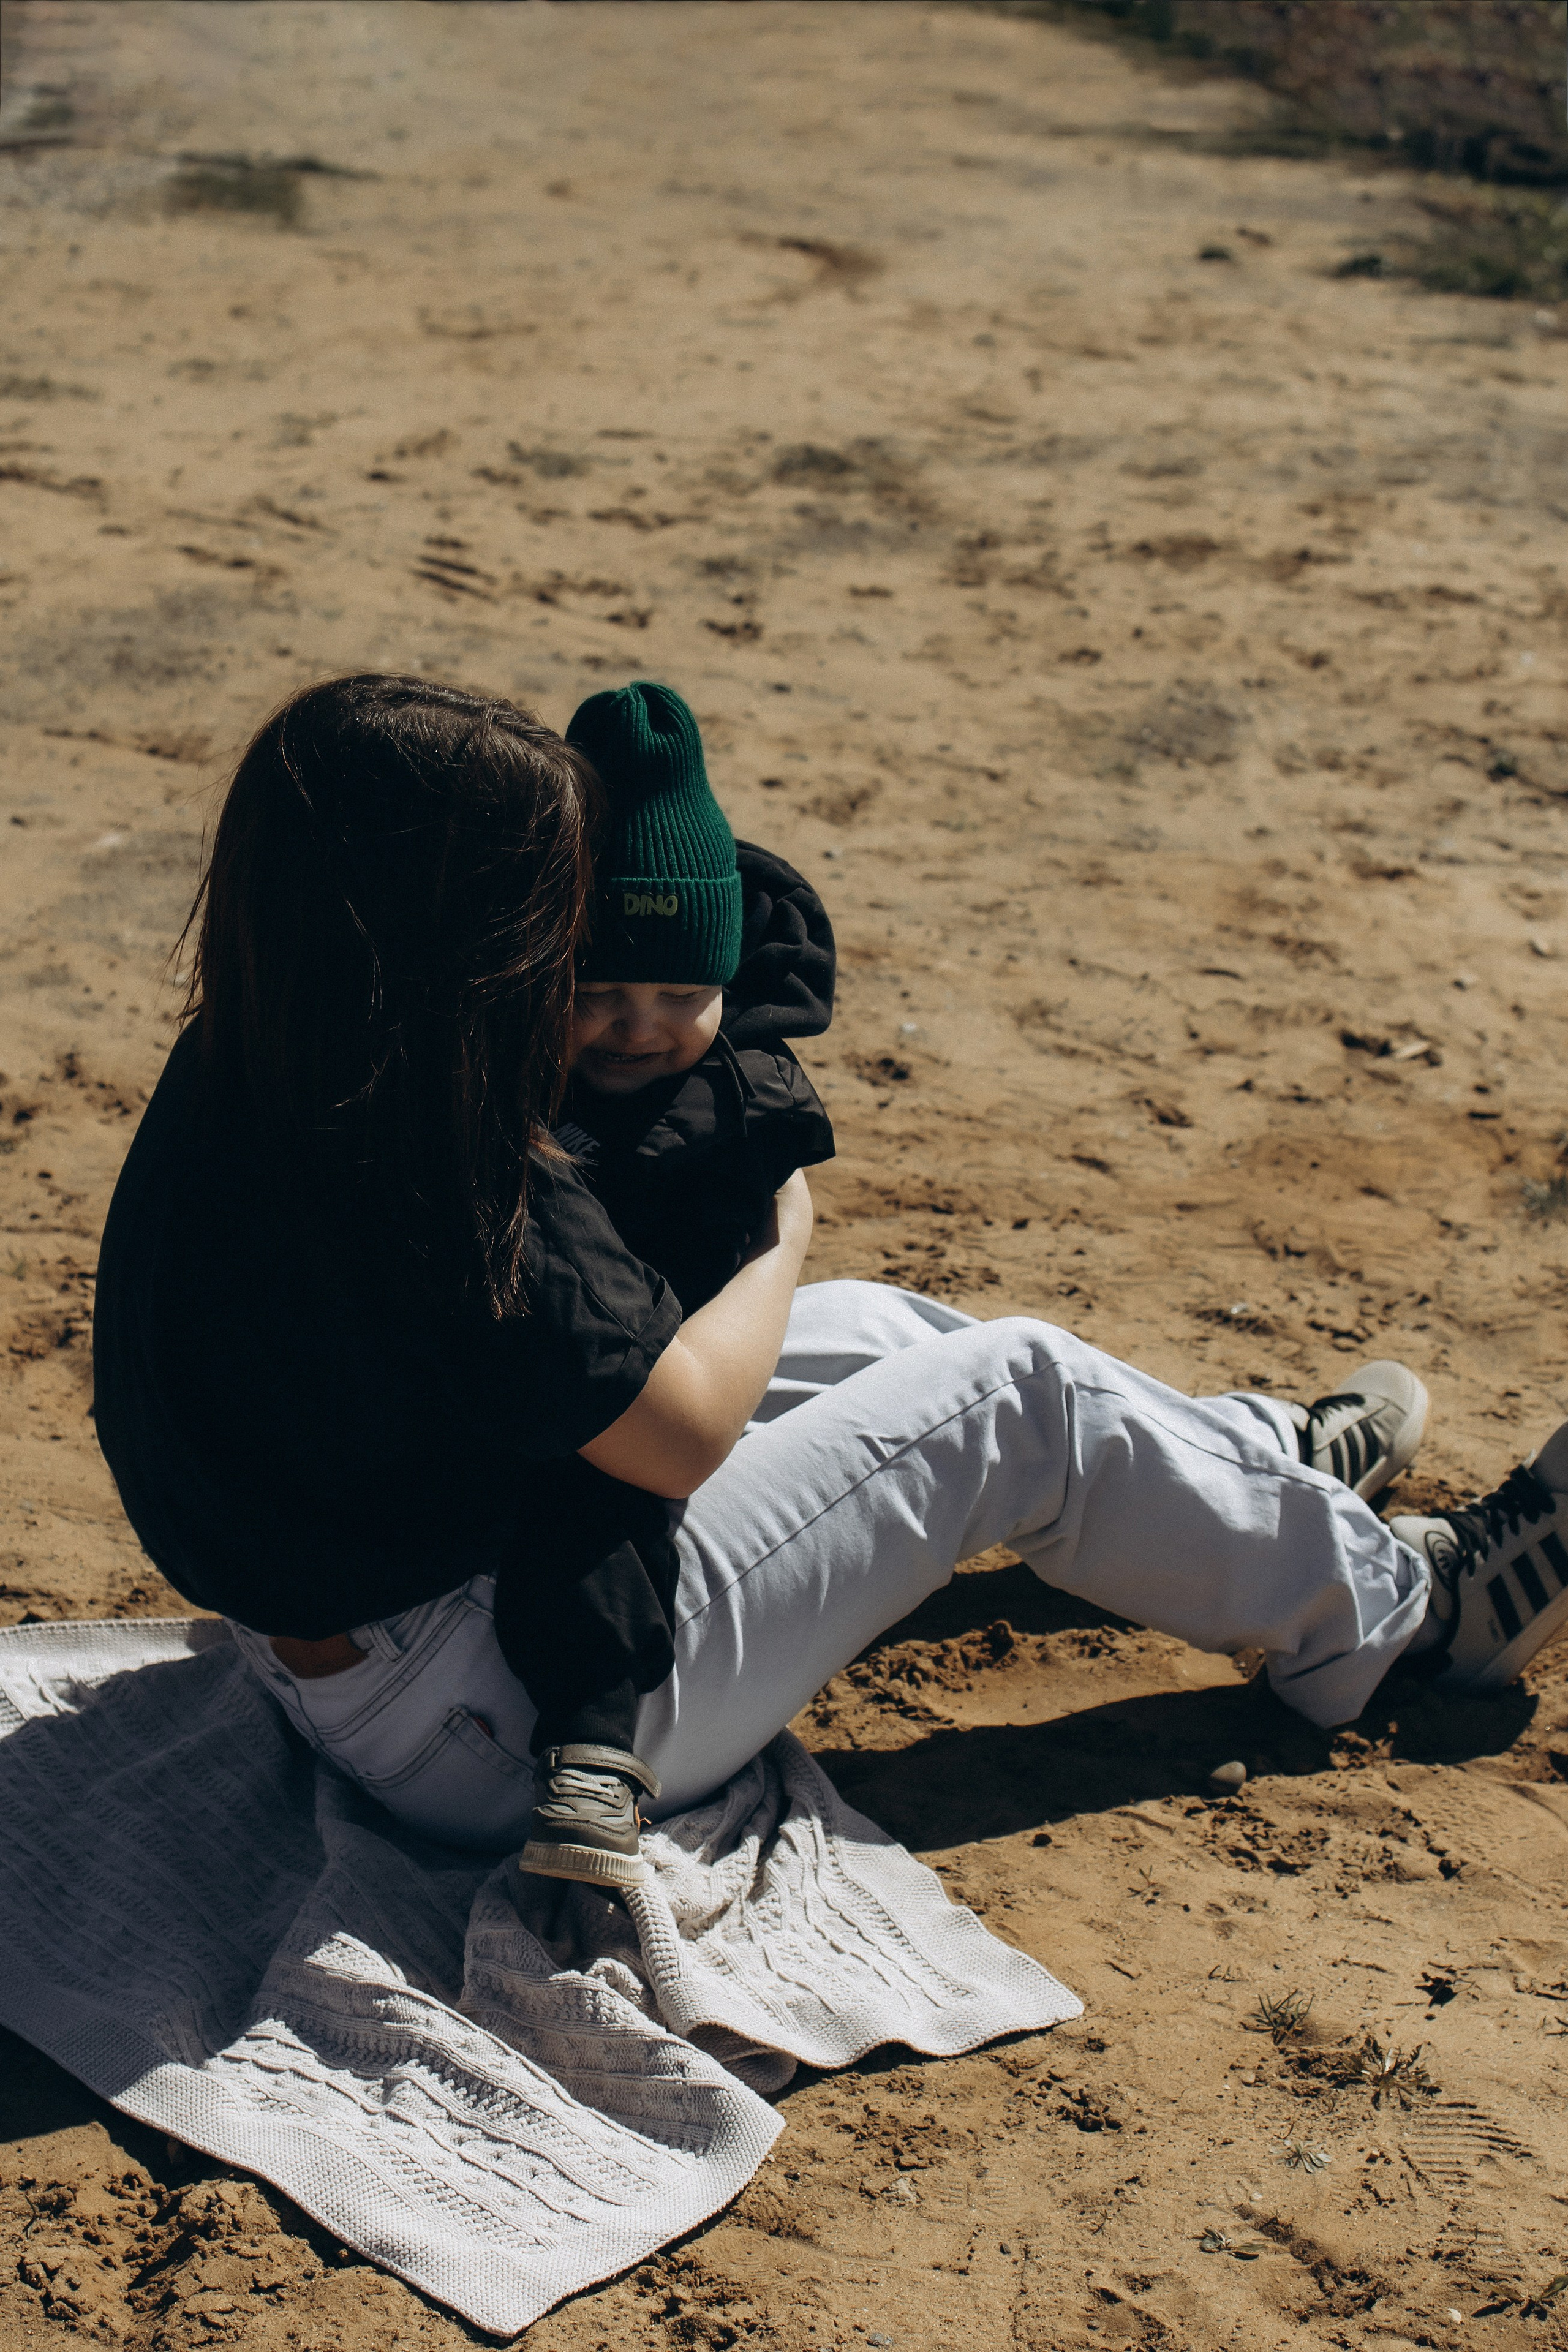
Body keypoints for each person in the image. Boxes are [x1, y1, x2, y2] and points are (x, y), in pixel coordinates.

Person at [91, 674, 1568, 1910]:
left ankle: (1238, 1472)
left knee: (877, 1335)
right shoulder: (442, 1164)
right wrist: (777, 1226)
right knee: (1016, 1395)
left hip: (370, 1639)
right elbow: (670, 1438)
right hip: (500, 1721)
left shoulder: (266, 1059)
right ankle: (1405, 1621)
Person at [502, 680, 835, 1882]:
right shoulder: (510, 1103)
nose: (638, 1028)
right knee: (584, 1513)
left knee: (917, 1336)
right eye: (598, 994)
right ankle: (591, 1746)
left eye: (681, 997)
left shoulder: (744, 1095)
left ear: (727, 983)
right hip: (612, 1398)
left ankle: (1256, 1447)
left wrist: (770, 1235)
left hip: (699, 1358)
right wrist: (782, 1242)